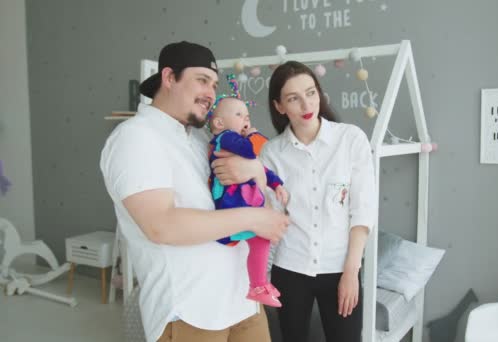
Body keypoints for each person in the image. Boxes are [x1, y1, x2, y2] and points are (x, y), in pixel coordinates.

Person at [99, 41, 288, 342]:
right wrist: (253, 218)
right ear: (169, 77)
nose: (211, 93)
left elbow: (241, 190)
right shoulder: (136, 138)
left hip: (242, 301)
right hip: (190, 311)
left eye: (213, 84)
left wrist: (254, 171)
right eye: (201, 80)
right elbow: (161, 225)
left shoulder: (202, 140)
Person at [261, 61, 378, 342]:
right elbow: (271, 221)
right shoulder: (271, 153)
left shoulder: (350, 139)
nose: (306, 104)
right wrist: (261, 277)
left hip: (341, 267)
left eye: (311, 93)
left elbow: (362, 210)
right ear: (279, 106)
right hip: (290, 268)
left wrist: (351, 272)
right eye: (293, 98)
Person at [206, 74, 288, 307]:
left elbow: (259, 167)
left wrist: (277, 183)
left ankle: (258, 284)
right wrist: (252, 136)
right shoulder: (225, 138)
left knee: (262, 242)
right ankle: (258, 285)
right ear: (219, 123)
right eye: (239, 115)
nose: (246, 120)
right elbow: (252, 153)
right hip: (232, 205)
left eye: (247, 115)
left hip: (244, 204)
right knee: (262, 239)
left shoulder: (236, 141)